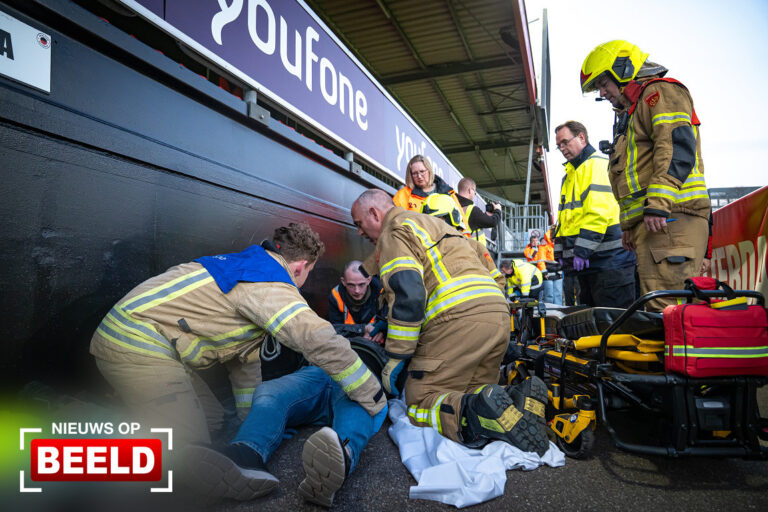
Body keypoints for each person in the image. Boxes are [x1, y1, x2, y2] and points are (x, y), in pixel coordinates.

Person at [90, 222, 386, 451]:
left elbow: (245, 368)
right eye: (309, 272)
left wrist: (251, 425)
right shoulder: (268, 281)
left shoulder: (248, 265)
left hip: (150, 341)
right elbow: (319, 338)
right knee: (190, 451)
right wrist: (373, 396)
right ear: (300, 267)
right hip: (136, 340)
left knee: (216, 423)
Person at [350, 189, 549, 455]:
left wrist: (397, 357)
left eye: (359, 224)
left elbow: (408, 293)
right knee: (475, 391)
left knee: (419, 401)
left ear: (374, 213)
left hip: (457, 320)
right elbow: (491, 277)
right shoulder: (442, 228)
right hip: (497, 316)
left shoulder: (393, 230)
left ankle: (473, 416)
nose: (360, 232)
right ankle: (517, 401)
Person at [581, 41, 710, 312]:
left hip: (671, 219)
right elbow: (633, 171)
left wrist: (658, 205)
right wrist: (628, 224)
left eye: (604, 84)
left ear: (623, 69)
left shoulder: (660, 92)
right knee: (660, 309)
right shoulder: (633, 108)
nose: (603, 93)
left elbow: (675, 148)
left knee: (668, 310)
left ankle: (678, 357)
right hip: (657, 223)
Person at [186, 364, 387, 506]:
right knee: (270, 392)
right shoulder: (332, 320)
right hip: (318, 370)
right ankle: (245, 454)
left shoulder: (387, 329)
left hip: (362, 373)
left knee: (358, 404)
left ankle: (341, 460)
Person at [552, 120, 637, 308]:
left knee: (614, 323)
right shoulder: (571, 174)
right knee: (595, 324)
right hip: (592, 264)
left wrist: (581, 251)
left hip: (610, 263)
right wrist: (560, 250)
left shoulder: (596, 166)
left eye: (565, 142)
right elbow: (565, 221)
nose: (562, 148)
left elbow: (597, 213)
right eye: (559, 146)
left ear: (581, 137)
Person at [456, 177, 501, 246]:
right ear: (470, 190)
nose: (474, 195)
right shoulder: (472, 210)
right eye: (474, 192)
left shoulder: (453, 205)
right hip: (472, 252)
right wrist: (498, 210)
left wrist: (485, 215)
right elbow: (493, 222)